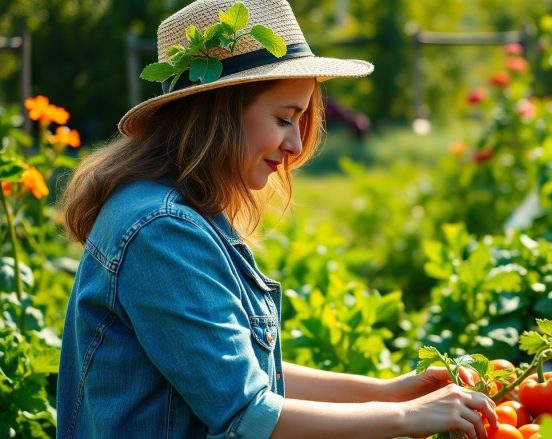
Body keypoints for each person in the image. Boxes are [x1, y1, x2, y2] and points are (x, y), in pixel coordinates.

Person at [56, 1, 497, 438]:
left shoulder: (169, 209)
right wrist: (407, 418)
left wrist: (389, 392)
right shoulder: (162, 231)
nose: (295, 143)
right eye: (285, 118)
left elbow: (231, 365)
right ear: (220, 111)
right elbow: (247, 413)